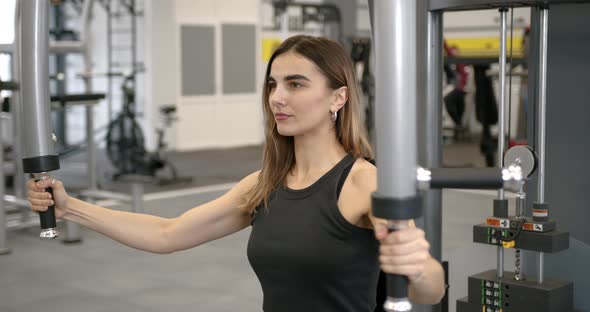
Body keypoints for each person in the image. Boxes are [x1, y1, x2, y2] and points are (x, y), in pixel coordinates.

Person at [27, 35, 445, 311]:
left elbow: (430, 289)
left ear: (338, 97)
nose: (277, 98)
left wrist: (418, 266)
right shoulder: (264, 185)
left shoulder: (363, 182)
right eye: (273, 84)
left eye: (296, 84)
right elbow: (167, 234)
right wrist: (71, 208)